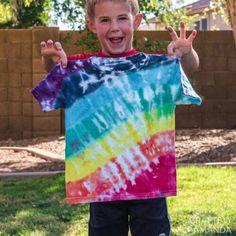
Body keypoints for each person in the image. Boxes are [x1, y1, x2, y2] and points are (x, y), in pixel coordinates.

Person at [34, 0, 201, 235]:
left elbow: (189, 67)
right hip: (102, 185)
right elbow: (55, 71)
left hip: (150, 183)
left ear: (137, 21)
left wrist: (186, 53)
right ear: (91, 25)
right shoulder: (81, 70)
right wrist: (49, 61)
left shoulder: (155, 68)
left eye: (122, 18)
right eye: (105, 20)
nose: (114, 27)